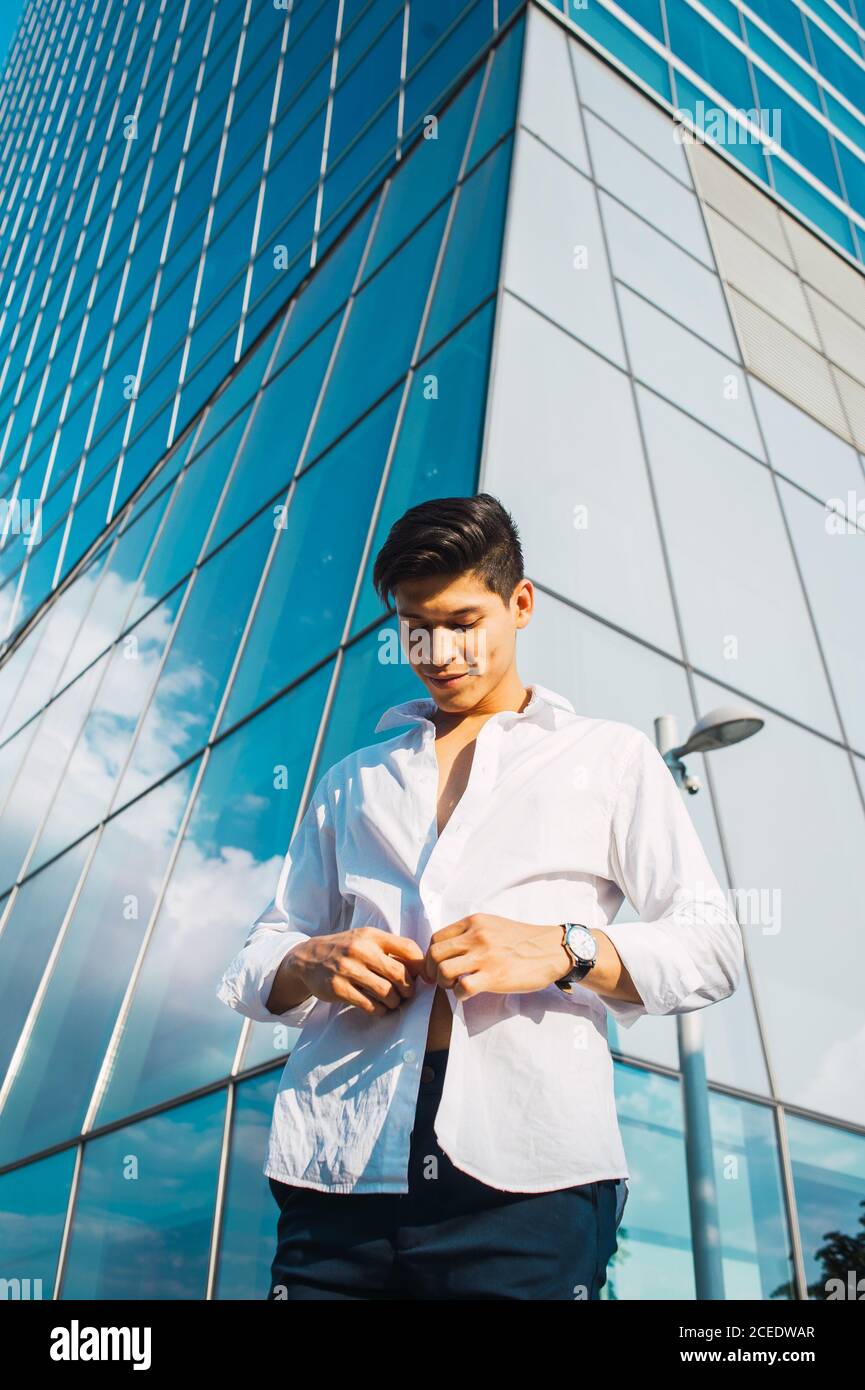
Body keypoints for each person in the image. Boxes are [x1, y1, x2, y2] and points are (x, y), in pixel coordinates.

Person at [216, 492, 743, 1300]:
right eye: (413, 624)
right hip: (340, 1159)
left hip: (527, 1170)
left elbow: (710, 945)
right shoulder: (351, 779)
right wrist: (309, 960)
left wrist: (565, 947)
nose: (436, 648)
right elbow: (262, 953)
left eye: (462, 620)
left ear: (520, 604)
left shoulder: (610, 758)